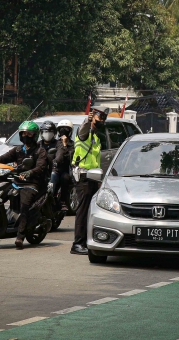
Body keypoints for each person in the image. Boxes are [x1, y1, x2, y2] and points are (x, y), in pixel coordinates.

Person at [0, 121, 48, 249]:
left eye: (29, 133)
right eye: (23, 133)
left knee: (24, 206)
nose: (25, 136)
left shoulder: (40, 151)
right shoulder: (17, 149)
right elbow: (4, 158)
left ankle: (20, 236)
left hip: (31, 184)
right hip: (15, 182)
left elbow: (40, 167)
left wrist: (29, 173)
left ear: (35, 135)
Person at [71, 107, 109, 255]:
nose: (102, 121)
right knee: (82, 210)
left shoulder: (96, 137)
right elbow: (82, 130)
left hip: (93, 178)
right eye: (100, 118)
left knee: (90, 211)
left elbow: (96, 161)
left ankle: (87, 241)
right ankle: (77, 244)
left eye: (104, 119)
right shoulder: (84, 134)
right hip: (83, 177)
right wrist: (87, 119)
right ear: (93, 117)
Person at [50, 120, 74, 211]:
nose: (63, 131)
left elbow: (69, 157)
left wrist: (65, 145)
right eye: (61, 129)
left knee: (65, 178)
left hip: (65, 169)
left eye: (66, 129)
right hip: (53, 168)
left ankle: (63, 201)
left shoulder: (72, 145)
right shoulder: (55, 143)